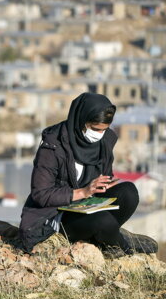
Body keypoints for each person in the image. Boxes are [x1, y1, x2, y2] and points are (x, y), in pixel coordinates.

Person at [19, 92, 158, 255]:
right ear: (81, 120)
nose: (98, 134)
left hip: (86, 205)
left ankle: (106, 236)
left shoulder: (105, 141)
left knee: (129, 192)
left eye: (103, 130)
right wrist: (82, 192)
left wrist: (104, 185)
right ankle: (122, 246)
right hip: (55, 215)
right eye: (94, 129)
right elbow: (40, 194)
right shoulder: (53, 145)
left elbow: (105, 174)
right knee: (103, 221)